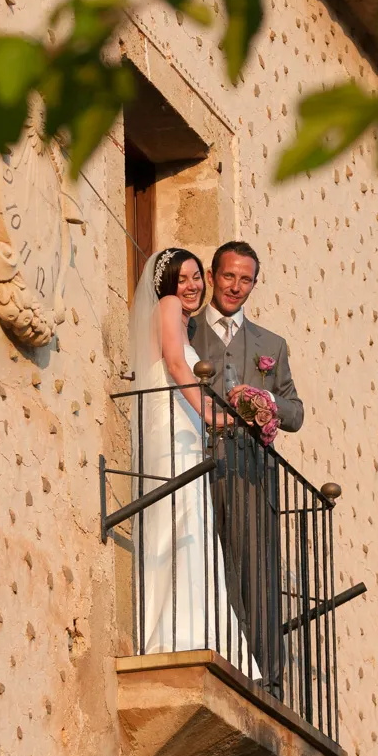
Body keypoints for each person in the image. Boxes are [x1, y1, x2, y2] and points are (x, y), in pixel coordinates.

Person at [129, 246, 259, 676]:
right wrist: (211, 414)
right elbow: (173, 364)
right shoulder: (166, 308)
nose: (191, 287)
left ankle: (198, 631)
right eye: (183, 279)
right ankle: (172, 636)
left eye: (195, 279)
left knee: (193, 523)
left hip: (183, 431)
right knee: (180, 520)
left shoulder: (183, 326)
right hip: (171, 431)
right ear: (166, 284)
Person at [190, 241, 304, 695]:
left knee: (256, 569)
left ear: (255, 283)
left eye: (246, 279)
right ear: (213, 275)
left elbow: (295, 413)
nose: (236, 287)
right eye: (228, 276)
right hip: (193, 462)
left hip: (252, 471)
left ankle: (268, 678)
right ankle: (215, 651)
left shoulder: (271, 345)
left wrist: (269, 400)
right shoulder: (187, 327)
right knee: (203, 559)